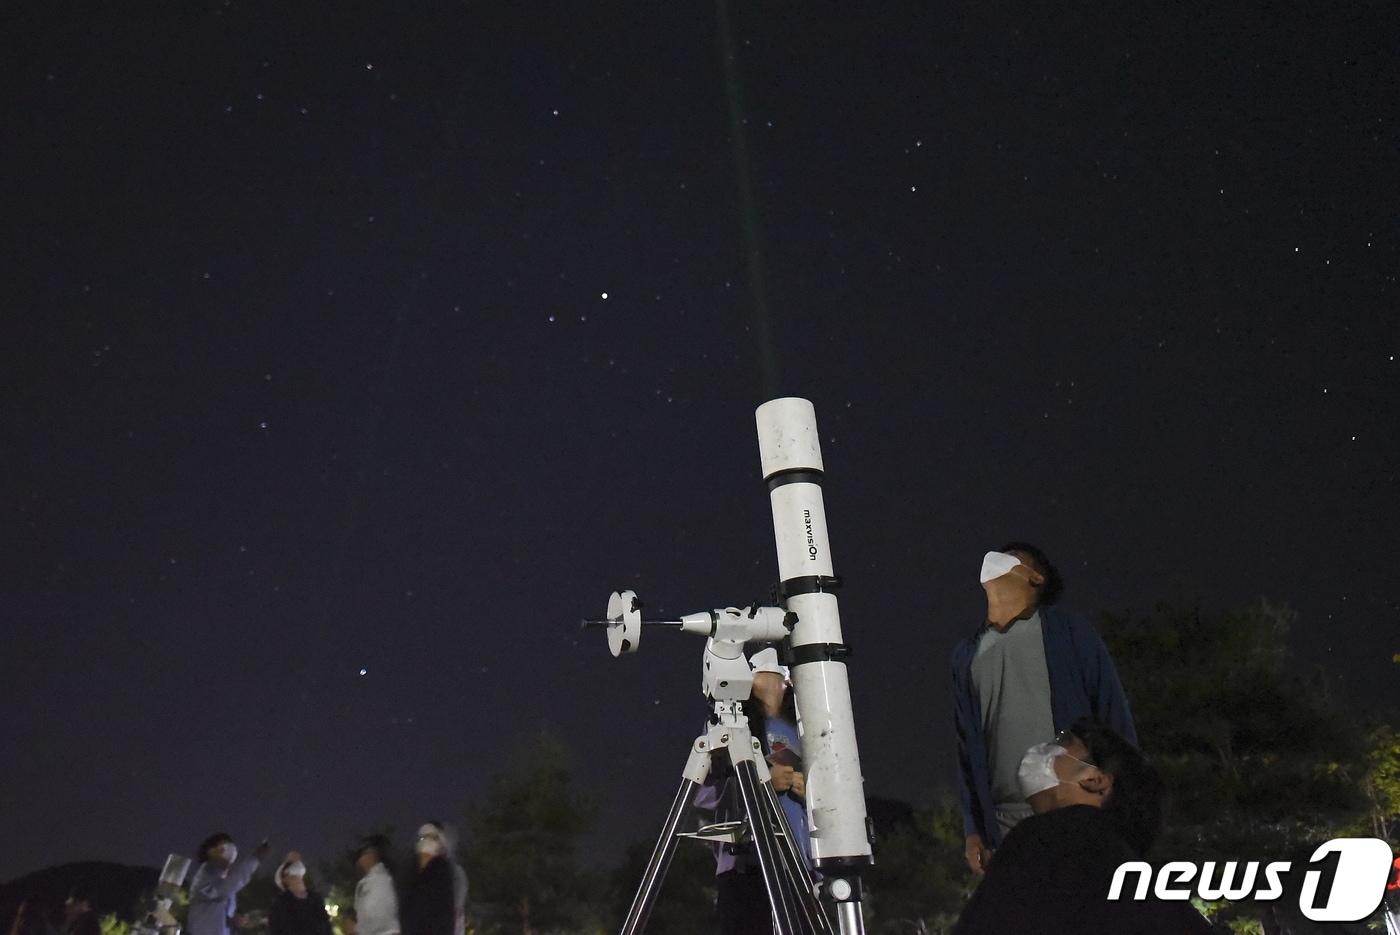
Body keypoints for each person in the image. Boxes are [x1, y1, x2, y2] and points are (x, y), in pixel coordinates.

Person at [950, 542, 1137, 875]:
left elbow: (1112, 714)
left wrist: (1127, 801)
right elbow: (966, 747)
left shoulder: (1068, 632)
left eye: (1010, 558)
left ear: (1035, 578)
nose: (994, 559)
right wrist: (972, 828)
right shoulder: (966, 654)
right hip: (1005, 823)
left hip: (1071, 807)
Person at [953, 718, 1210, 934]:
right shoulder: (1138, 880)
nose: (1048, 746)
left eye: (1064, 741)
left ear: (1096, 780)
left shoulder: (1048, 839)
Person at [695, 646, 812, 935]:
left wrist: (812, 792)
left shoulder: (801, 728)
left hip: (798, 867)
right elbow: (704, 797)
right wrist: (761, 786)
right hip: (744, 871)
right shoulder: (727, 725)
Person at [188, 834, 269, 935]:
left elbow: (215, 912)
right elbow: (222, 890)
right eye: (224, 846)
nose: (231, 850)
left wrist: (233, 919)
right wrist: (254, 859)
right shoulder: (204, 875)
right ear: (210, 851)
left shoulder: (222, 880)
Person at [402, 825, 455, 935]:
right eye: (424, 838)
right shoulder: (410, 869)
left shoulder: (442, 869)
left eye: (432, 838)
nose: (427, 841)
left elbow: (446, 910)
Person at [268, 852, 332, 935]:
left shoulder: (315, 898)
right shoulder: (281, 902)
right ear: (285, 878)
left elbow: (325, 924)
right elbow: (276, 929)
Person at [352, 836, 400, 935]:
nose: (359, 861)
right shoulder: (369, 881)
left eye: (362, 854)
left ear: (372, 854)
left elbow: (378, 917)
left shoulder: (381, 880)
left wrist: (356, 929)